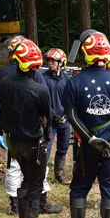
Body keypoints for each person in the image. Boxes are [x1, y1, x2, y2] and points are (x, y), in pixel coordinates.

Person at [62, 29, 110, 218]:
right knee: (109, 185)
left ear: (86, 53)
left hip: (87, 146)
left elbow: (71, 115)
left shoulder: (74, 82)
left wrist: (90, 139)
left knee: (80, 186)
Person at [0, 36, 59, 216]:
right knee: (37, 171)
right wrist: (49, 128)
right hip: (33, 133)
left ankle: (16, 205)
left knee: (13, 165)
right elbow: (46, 107)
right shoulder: (37, 78)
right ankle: (37, 207)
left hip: (11, 132)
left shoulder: (3, 76)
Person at [42, 48, 71, 185]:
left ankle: (59, 174)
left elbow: (69, 99)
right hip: (49, 121)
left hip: (64, 121)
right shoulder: (44, 78)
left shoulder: (66, 79)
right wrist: (53, 116)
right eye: (48, 61)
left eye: (53, 61)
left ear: (61, 63)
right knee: (46, 149)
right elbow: (43, 101)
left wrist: (65, 115)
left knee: (63, 147)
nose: (50, 63)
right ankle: (42, 176)